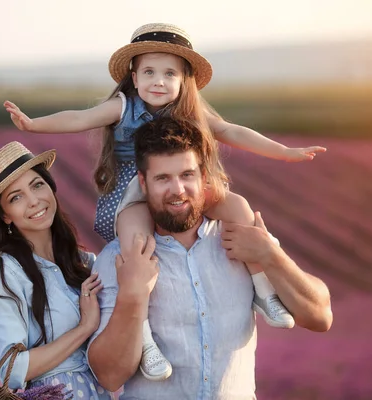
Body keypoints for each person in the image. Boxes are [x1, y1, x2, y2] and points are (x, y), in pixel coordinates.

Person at [3, 22, 327, 380]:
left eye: (169, 73)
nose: (159, 81)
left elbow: (232, 132)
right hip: (134, 192)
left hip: (177, 188)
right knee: (136, 249)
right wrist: (33, 125)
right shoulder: (123, 106)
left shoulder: (190, 111)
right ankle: (145, 341)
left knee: (238, 207)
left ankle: (263, 292)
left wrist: (283, 152)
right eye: (149, 72)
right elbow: (80, 118)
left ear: (184, 79)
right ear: (135, 76)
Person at [86, 117, 333, 399]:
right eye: (163, 178)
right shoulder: (119, 259)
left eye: (187, 175)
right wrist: (132, 295)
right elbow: (108, 375)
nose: (177, 189)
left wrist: (271, 255)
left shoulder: (243, 238)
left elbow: (320, 316)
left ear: (204, 177)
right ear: (143, 183)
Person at [0, 141, 112, 399]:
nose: (34, 201)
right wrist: (84, 327)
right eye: (16, 197)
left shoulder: (83, 262)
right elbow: (10, 370)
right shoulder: (5, 274)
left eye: (37, 185)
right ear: (5, 215)